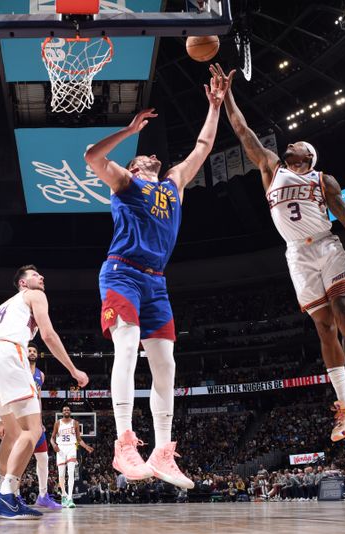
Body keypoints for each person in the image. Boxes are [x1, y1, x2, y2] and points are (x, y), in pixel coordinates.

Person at [215, 63, 345, 442]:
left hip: (327, 246)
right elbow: (243, 131)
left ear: (308, 156)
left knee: (343, 315)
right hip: (296, 256)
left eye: (298, 145)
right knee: (323, 329)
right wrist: (227, 96)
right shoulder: (270, 168)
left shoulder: (324, 180)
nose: (290, 144)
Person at [83, 67, 229, 489]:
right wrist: (129, 130)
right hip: (121, 274)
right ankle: (124, 442)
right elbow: (93, 155)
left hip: (156, 283)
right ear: (134, 165)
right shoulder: (126, 183)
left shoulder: (173, 184)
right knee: (126, 349)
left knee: (165, 367)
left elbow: (203, 146)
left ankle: (162, 451)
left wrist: (214, 106)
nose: (154, 155)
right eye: (144, 155)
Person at [0, 264, 88, 519]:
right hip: (9, 354)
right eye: (35, 275)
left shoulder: (4, 306)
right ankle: (6, 494)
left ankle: (6, 496)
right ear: (23, 284)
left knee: (12, 434)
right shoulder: (35, 295)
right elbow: (47, 333)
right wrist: (73, 369)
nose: (42, 277)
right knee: (33, 430)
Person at [0, 341, 63, 511]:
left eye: (34, 350)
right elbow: (3, 394)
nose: (31, 352)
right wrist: (0, 421)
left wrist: (39, 421)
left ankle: (43, 496)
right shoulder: (16, 370)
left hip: (34, 423)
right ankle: (13, 495)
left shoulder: (41, 374)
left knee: (43, 458)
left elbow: (38, 398)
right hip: (17, 421)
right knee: (16, 460)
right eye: (29, 350)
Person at [50, 405, 94, 508]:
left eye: (68, 410)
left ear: (70, 412)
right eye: (64, 410)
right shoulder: (58, 423)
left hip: (71, 448)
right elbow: (52, 438)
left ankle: (70, 498)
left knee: (71, 473)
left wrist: (86, 447)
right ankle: (64, 495)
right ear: (62, 412)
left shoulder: (75, 423)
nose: (66, 411)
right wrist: (54, 445)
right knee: (61, 475)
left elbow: (79, 439)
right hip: (61, 449)